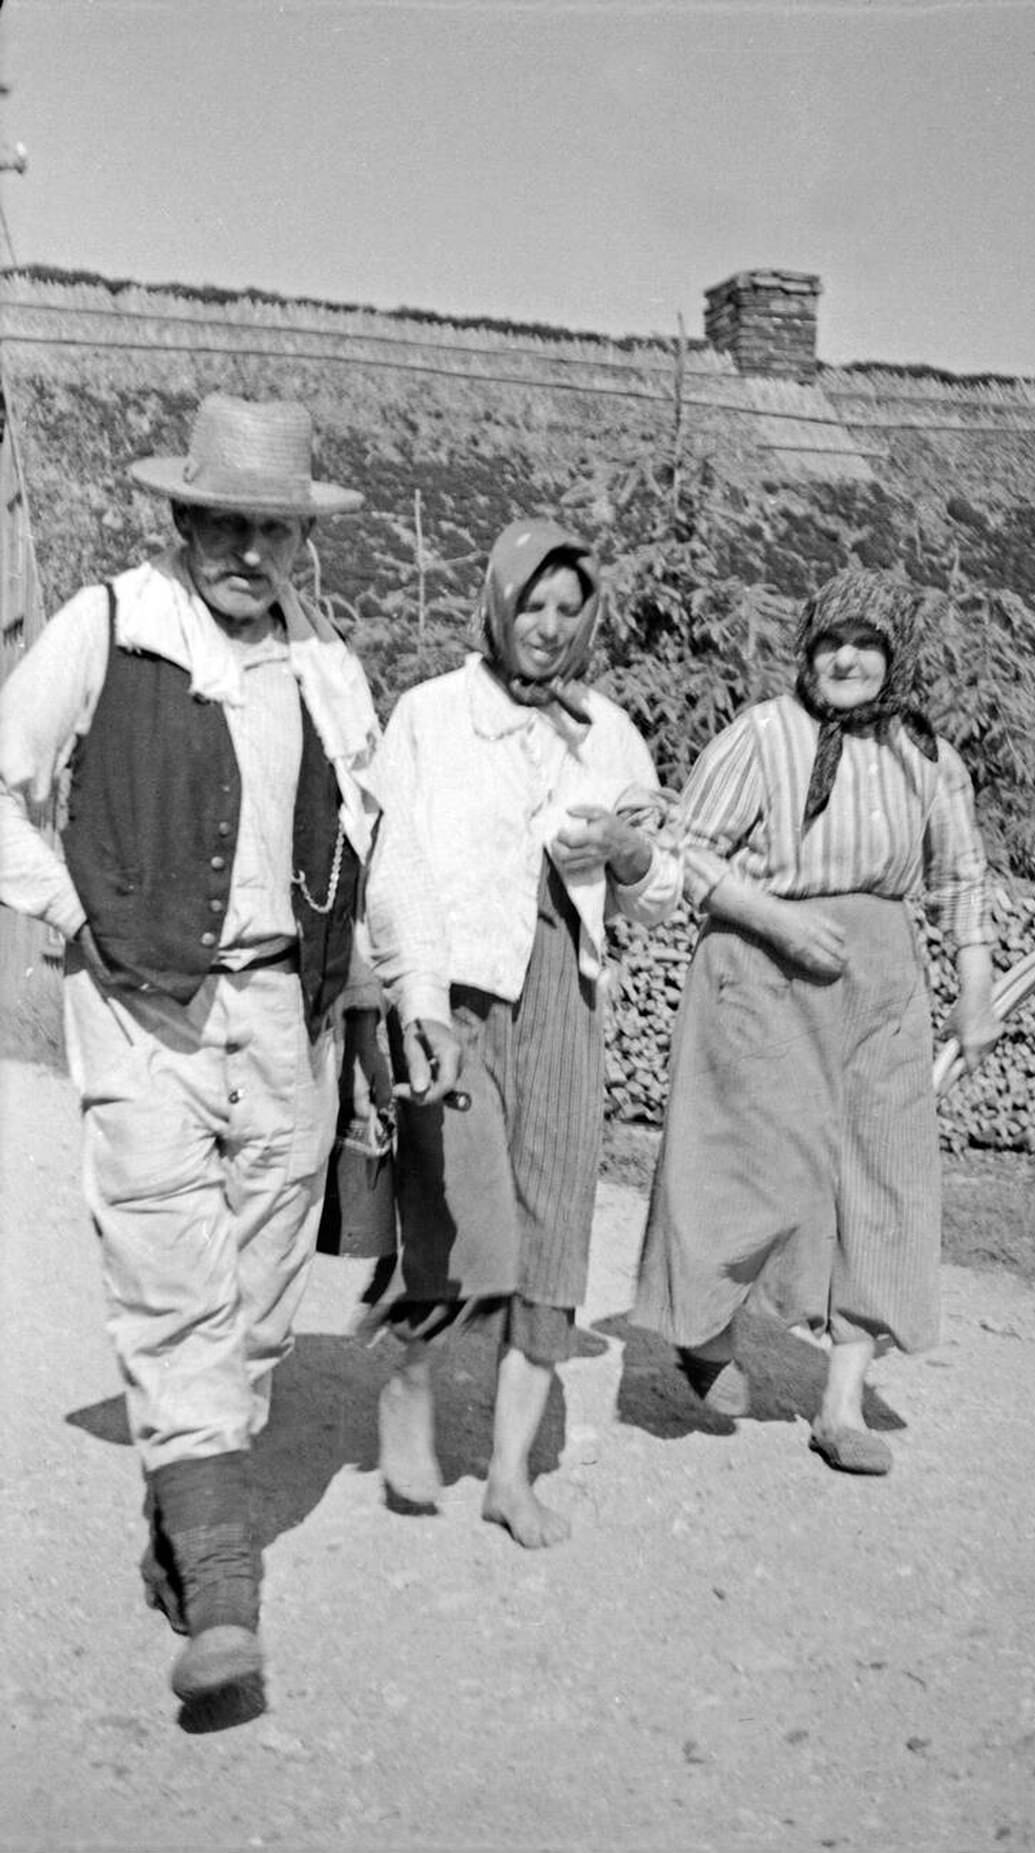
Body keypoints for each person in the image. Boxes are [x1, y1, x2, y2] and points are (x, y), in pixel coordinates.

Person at [0, 394, 396, 1713]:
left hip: (288, 1019)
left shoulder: (328, 671)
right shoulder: (108, 625)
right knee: (173, 1289)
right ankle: (225, 1599)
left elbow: (371, 855)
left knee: (259, 1322)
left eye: (265, 526)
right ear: (178, 517)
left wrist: (393, 1010)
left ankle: (187, 1504)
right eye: (216, 520)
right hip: (143, 1014)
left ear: (295, 536)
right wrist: (69, 911)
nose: (241, 547)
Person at [632, 567, 1000, 1475]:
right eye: (832, 640)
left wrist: (975, 986)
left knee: (884, 1182)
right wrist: (777, 918)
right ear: (807, 649)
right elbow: (685, 852)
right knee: (762, 1167)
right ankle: (705, 1333)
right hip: (761, 969)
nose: (847, 658)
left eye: (868, 643)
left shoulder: (929, 756)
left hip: (883, 985)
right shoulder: (764, 736)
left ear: (894, 656)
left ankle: (841, 1404)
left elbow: (960, 880)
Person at [365, 516, 681, 1548]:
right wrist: (407, 995)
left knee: (553, 1225)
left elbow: (660, 890)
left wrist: (630, 853)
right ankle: (409, 1377)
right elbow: (386, 859)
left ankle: (508, 1473)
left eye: (568, 609)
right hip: (452, 990)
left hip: (562, 995)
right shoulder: (429, 715)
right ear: (497, 604)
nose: (547, 628)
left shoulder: (609, 730)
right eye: (531, 605)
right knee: (458, 1213)